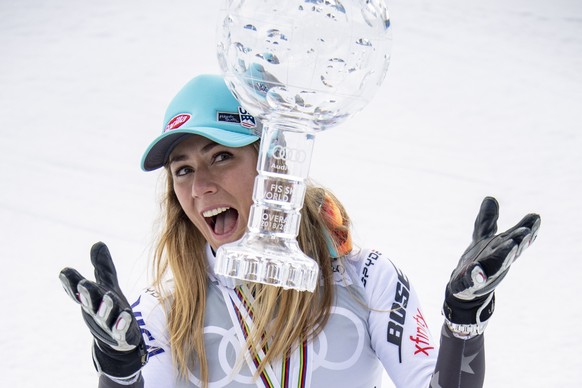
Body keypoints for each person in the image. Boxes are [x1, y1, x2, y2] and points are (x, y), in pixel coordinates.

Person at [59, 74, 541, 388]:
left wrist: (464, 320)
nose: (200, 186)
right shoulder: (166, 307)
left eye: (221, 156)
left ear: (273, 162)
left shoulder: (364, 278)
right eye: (182, 170)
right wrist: (119, 374)